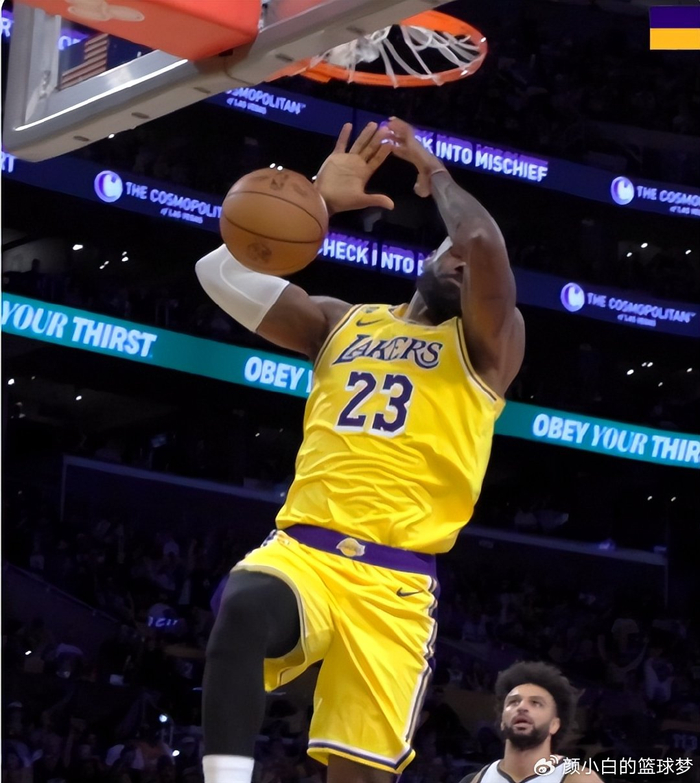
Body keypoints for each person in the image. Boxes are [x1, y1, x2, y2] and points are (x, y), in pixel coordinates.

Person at [195, 118, 525, 783]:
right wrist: (317, 201)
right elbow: (216, 270)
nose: (463, 262)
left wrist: (435, 174)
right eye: (451, 255)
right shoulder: (339, 320)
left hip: (394, 585)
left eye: (472, 267)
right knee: (245, 604)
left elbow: (482, 240)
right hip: (305, 554)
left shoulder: (490, 346)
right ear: (427, 260)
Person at [459, 662, 603, 782]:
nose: (522, 707)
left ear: (554, 725)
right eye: (514, 702)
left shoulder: (579, 779)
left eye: (536, 703)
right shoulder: (475, 780)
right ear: (502, 720)